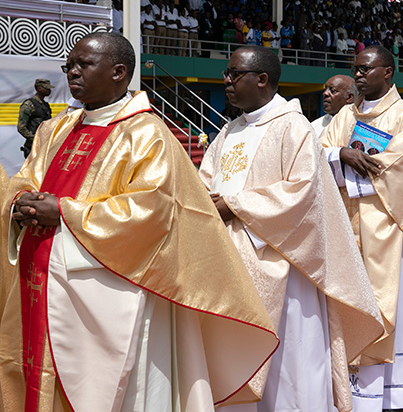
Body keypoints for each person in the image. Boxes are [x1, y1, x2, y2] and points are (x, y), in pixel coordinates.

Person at [0, 32, 278, 411]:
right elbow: (27, 177)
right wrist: (19, 202)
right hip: (44, 277)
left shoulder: (147, 135)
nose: (73, 72)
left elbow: (151, 210)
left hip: (111, 290)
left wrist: (64, 213)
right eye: (70, 65)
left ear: (118, 72)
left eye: (84, 64)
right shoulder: (55, 129)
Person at [200, 47, 382, 411]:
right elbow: (205, 179)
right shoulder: (229, 130)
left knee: (289, 369)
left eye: (234, 74)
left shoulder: (293, 126)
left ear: (262, 79)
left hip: (285, 266)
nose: (226, 81)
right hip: (231, 259)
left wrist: (234, 205)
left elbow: (302, 192)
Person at [321, 45, 403, 411]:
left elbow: (400, 165)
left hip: (390, 230)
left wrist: (353, 162)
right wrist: (341, 155)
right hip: (346, 226)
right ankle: (352, 391)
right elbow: (320, 151)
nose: (360, 74)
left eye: (367, 68)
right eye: (356, 69)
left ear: (388, 73)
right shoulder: (345, 115)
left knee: (392, 307)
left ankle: (396, 393)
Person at [17, 79, 53, 158]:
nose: (49, 90)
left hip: (45, 147)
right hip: (32, 148)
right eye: (46, 88)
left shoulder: (45, 105)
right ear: (39, 88)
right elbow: (21, 127)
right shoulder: (29, 105)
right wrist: (35, 139)